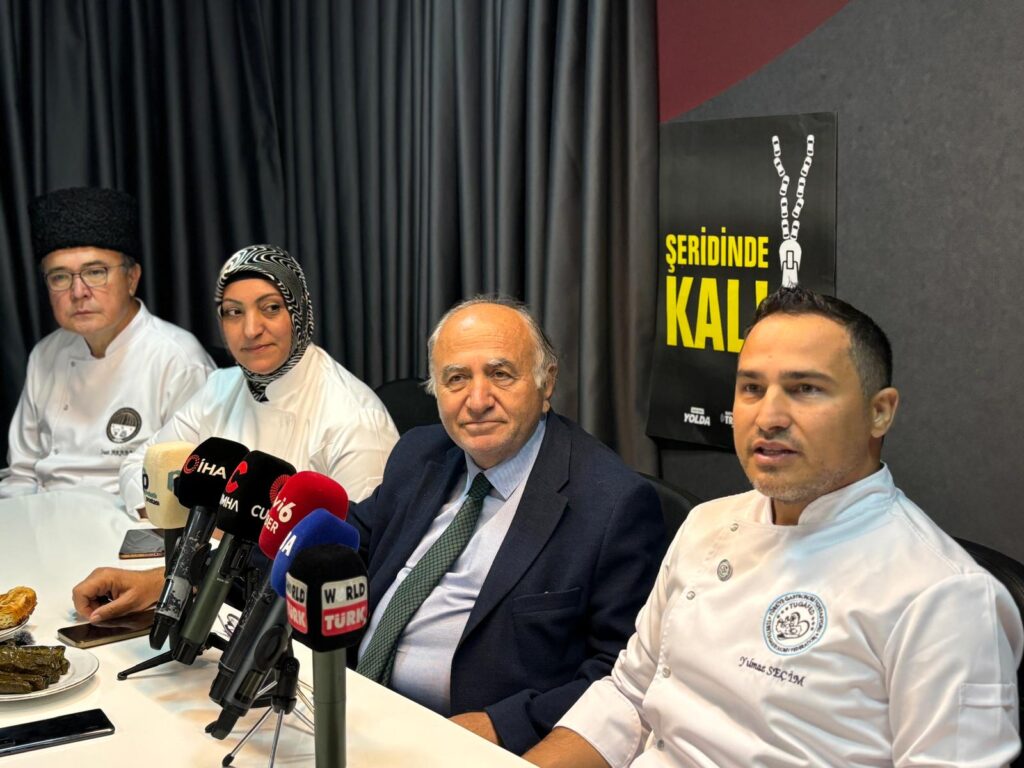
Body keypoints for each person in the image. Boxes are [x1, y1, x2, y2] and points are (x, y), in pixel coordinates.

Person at [524, 286, 1024, 767]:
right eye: (752, 388)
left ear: (879, 412)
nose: (768, 417)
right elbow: (628, 696)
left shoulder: (946, 597)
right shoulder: (706, 524)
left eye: (805, 389)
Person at [346, 297, 667, 755]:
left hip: (473, 746)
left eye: (500, 374)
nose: (477, 401)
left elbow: (624, 673)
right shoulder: (418, 454)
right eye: (456, 379)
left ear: (546, 382)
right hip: (356, 706)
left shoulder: (612, 504)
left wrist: (506, 725)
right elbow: (352, 544)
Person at [73, 244, 399, 616]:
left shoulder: (355, 418)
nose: (251, 329)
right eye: (233, 312)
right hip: (213, 597)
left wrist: (206, 546)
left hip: (286, 620)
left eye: (271, 308)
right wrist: (207, 525)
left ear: (299, 311)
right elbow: (140, 468)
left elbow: (345, 560)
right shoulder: (220, 387)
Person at [1, 187, 213, 501]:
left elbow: (184, 488)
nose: (78, 292)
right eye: (60, 277)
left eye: (95, 272)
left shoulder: (178, 360)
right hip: (41, 514)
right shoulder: (45, 354)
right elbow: (21, 474)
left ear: (132, 278)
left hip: (129, 520)